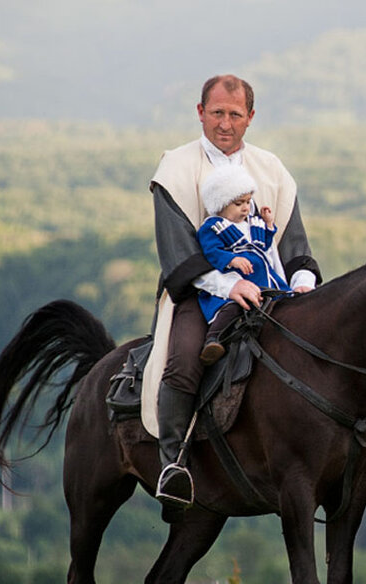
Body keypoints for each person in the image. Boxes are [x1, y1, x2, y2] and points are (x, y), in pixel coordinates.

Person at [149, 74, 319, 508]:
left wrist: (303, 285)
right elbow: (179, 256)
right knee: (184, 363)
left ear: (251, 118)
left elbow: (295, 246)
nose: (225, 123)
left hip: (273, 289)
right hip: (199, 294)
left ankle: (345, 463)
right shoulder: (175, 168)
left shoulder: (272, 170)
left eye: (235, 114)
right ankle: (174, 465)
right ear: (200, 113)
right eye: (217, 113)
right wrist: (231, 283)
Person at [195, 164, 294, 365]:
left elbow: (264, 246)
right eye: (239, 203)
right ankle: (214, 339)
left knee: (289, 301)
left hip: (264, 278)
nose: (246, 208)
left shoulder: (252, 223)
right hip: (238, 280)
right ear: (221, 204)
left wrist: (268, 225)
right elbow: (211, 252)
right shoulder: (213, 227)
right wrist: (231, 259)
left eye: (248, 202)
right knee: (232, 308)